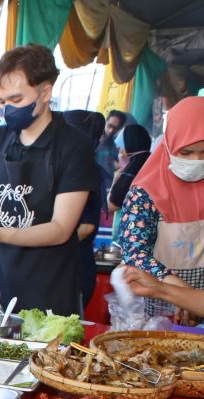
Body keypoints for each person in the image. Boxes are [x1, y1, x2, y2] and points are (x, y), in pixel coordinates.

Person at [0, 44, 99, 315]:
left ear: (45, 92)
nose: (7, 110)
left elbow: (60, 228)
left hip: (46, 289)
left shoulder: (73, 146)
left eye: (16, 100)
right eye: (1, 101)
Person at [118, 96, 204, 320]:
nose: (197, 160)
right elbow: (135, 252)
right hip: (161, 304)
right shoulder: (146, 191)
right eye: (186, 152)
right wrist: (181, 293)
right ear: (169, 143)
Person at [63, 109, 111, 308]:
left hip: (74, 267)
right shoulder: (66, 166)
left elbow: (87, 226)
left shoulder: (86, 170)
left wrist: (48, 247)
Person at [108, 124, 152, 211]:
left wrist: (115, 180)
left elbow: (111, 205)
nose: (120, 149)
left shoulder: (130, 172)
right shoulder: (152, 162)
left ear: (129, 143)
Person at [97, 109, 127, 177]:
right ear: (105, 121)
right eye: (109, 125)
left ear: (120, 129)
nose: (111, 131)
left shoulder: (115, 148)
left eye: (115, 128)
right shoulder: (93, 139)